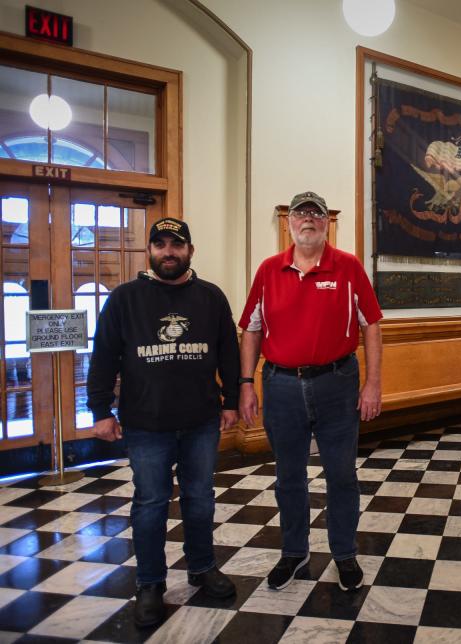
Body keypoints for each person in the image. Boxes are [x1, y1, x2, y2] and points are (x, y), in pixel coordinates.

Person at [87, 217, 240, 628]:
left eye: (176, 244)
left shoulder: (211, 297)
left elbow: (229, 351)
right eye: (160, 244)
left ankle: (202, 567)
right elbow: (103, 356)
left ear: (190, 250)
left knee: (200, 498)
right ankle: (151, 583)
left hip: (201, 420)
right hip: (145, 423)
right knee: (151, 504)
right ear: (150, 250)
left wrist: (232, 401)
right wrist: (100, 410)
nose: (168, 251)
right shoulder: (124, 299)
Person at [238, 191, 383, 592]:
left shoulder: (349, 267)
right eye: (300, 213)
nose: (308, 220)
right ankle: (293, 551)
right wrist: (246, 383)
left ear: (326, 223)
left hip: (337, 383)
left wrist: (372, 383)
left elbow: (371, 324)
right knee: (288, 477)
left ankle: (344, 553)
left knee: (341, 475)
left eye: (315, 214)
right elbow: (250, 328)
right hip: (281, 385)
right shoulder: (268, 270)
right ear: (288, 223)